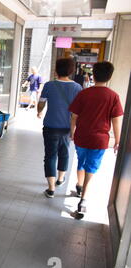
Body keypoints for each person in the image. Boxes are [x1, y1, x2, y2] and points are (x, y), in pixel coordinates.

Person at [69, 61, 124, 219]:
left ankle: (79, 186)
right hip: (99, 140)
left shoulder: (84, 94)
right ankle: (83, 200)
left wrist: (72, 132)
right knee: (91, 168)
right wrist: (118, 140)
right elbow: (116, 120)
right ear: (110, 77)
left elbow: (74, 116)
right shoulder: (113, 96)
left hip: (82, 136)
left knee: (81, 161)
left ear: (93, 75)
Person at [37, 58, 83, 198]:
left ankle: (51, 189)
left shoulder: (49, 85)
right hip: (67, 127)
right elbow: (79, 111)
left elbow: (41, 103)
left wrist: (39, 111)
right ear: (71, 71)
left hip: (50, 125)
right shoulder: (77, 88)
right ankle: (60, 179)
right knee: (64, 153)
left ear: (56, 69)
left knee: (50, 155)